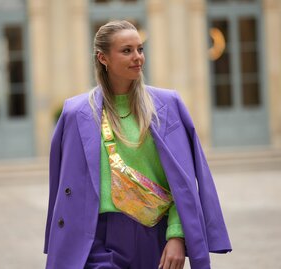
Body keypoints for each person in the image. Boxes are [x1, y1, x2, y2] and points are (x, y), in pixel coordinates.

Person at [43, 20, 232, 269]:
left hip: (151, 235)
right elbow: (61, 187)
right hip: (93, 239)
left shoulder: (168, 106)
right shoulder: (75, 113)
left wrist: (177, 234)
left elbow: (183, 182)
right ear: (103, 58)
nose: (137, 57)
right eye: (126, 51)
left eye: (140, 49)